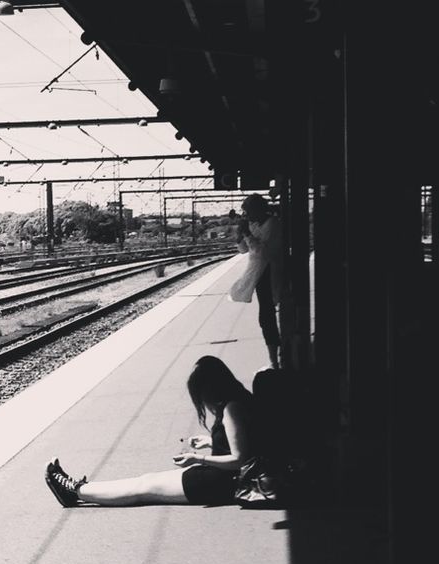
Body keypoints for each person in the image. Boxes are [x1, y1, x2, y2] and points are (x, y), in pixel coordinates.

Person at [44, 355, 261, 507]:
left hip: (220, 482)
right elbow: (246, 446)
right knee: (147, 480)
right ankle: (80, 489)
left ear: (212, 388)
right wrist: (209, 442)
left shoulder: (232, 408)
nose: (203, 402)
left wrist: (198, 458)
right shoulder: (240, 400)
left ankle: (75, 490)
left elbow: (239, 459)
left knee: (143, 488)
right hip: (221, 478)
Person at [238, 193, 286, 369]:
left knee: (269, 315)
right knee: (265, 316)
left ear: (258, 209)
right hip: (258, 274)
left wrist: (247, 234)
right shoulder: (254, 224)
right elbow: (243, 250)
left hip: (271, 272)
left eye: (248, 212)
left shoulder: (272, 224)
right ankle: (275, 356)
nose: (247, 216)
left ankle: (276, 358)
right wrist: (240, 236)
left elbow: (264, 252)